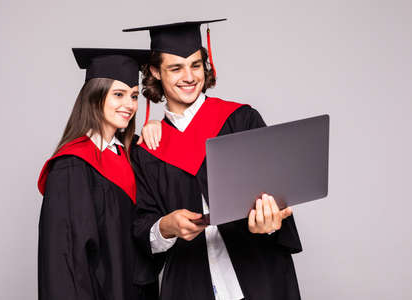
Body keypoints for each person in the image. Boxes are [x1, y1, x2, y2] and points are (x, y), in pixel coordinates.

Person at [124, 20, 303, 300]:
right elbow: (140, 225)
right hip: (189, 285)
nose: (189, 76)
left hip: (259, 275)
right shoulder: (147, 150)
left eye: (195, 65)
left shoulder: (240, 120)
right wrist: (166, 227)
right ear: (156, 71)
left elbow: (275, 193)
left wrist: (272, 221)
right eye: (176, 68)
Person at [37, 48, 159, 300]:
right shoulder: (72, 166)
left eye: (134, 96)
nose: (130, 105)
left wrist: (160, 130)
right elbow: (65, 262)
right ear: (95, 96)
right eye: (119, 94)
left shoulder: (133, 155)